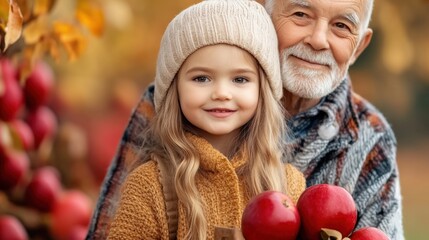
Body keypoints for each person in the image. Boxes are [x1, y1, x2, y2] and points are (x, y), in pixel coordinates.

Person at [87, 0, 404, 239]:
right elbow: (110, 227)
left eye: (341, 26)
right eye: (300, 14)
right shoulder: (169, 102)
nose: (319, 40)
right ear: (264, 12)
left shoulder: (368, 136)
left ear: (359, 45)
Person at [104, 0, 305, 239]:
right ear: (173, 88)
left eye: (240, 79)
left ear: (263, 91)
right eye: (201, 78)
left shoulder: (287, 185)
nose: (221, 92)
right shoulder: (150, 187)